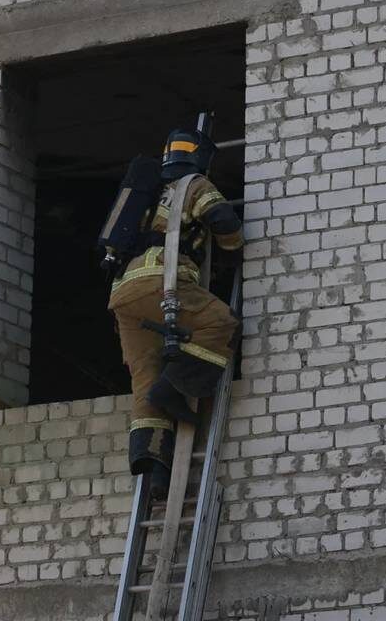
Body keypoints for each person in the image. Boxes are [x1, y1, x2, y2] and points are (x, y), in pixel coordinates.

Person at [108, 128, 243, 498]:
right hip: (163, 284)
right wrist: (234, 252)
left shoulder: (145, 193)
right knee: (221, 325)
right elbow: (225, 223)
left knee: (144, 378)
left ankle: (155, 475)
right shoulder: (193, 184)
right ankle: (176, 389)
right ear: (200, 158)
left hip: (123, 294)